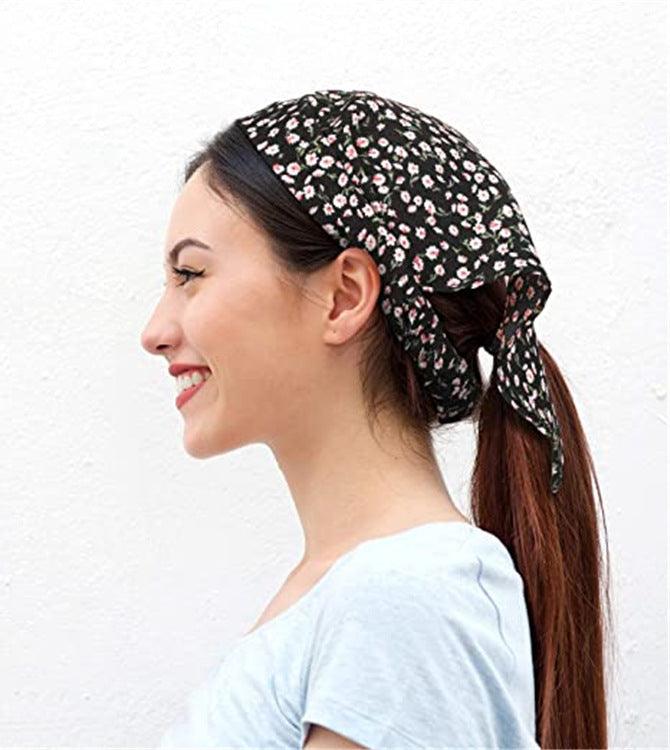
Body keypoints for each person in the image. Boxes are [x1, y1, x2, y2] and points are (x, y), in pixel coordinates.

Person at [141, 89, 612, 749]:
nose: (155, 332)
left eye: (191, 274)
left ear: (345, 296)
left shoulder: (404, 594)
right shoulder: (366, 593)